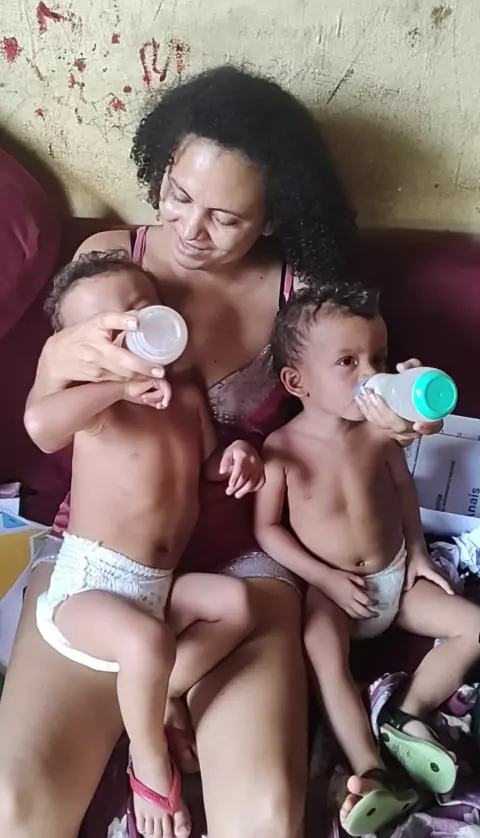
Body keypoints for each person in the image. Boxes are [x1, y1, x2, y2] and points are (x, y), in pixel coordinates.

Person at [0, 65, 440, 838]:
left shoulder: (304, 295)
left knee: (263, 818)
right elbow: (48, 404)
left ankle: (165, 698)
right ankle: (155, 714)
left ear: (273, 217)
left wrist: (394, 421)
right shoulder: (112, 263)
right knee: (16, 806)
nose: (189, 230)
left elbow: (355, 403)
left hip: (243, 567)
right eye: (177, 195)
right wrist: (71, 362)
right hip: (103, 557)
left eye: (226, 217)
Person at [25, 251, 265, 838]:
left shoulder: (187, 396)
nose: (132, 331)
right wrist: (115, 386)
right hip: (87, 587)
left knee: (237, 605)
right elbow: (41, 427)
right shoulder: (97, 408)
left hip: (155, 590)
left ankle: (161, 692)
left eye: (140, 311)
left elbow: (205, 465)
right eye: (111, 330)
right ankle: (148, 758)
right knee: (146, 642)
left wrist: (236, 457)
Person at [255, 282, 480, 836]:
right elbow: (266, 529)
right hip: (335, 593)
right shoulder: (281, 448)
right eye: (348, 362)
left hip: (397, 578)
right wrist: (325, 579)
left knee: (474, 626)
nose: (370, 374)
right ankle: (370, 770)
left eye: (377, 358)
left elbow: (403, 489)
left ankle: (406, 715)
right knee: (321, 655)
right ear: (297, 382)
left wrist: (419, 554)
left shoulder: (378, 434)